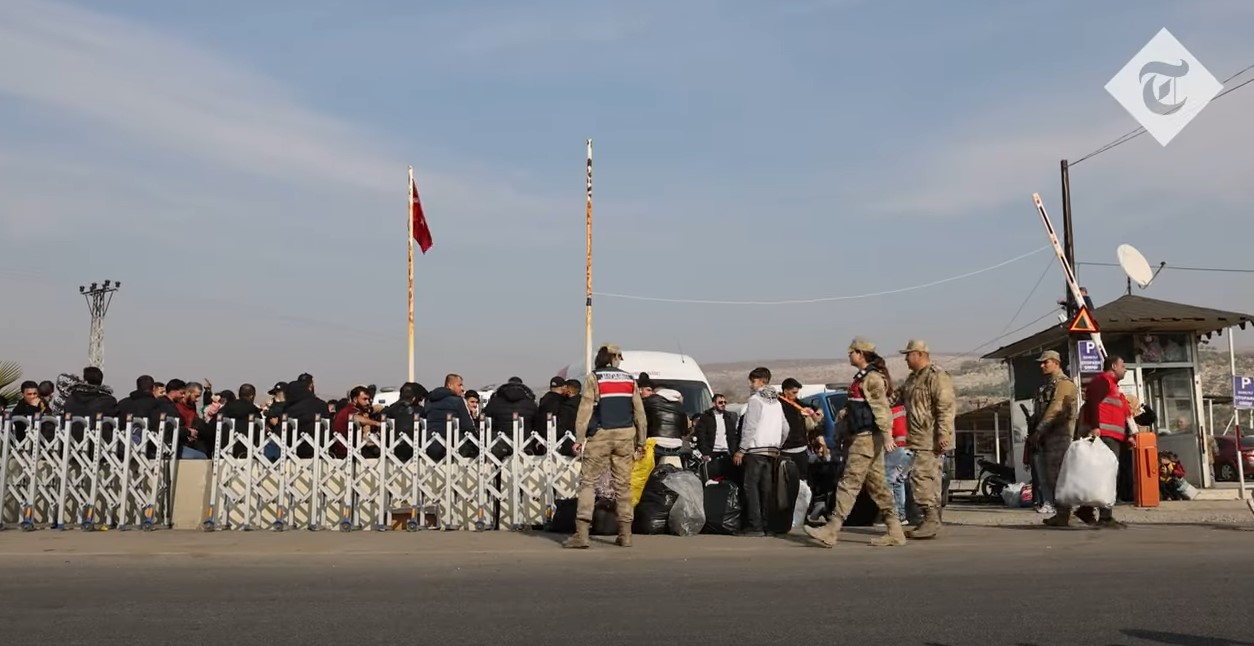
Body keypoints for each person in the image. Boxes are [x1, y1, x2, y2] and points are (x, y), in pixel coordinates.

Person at [804, 337, 904, 548]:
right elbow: (852, 410)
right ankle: (895, 530)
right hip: (863, 437)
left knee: (849, 482)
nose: (849, 356)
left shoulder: (872, 379)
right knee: (877, 486)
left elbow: (881, 408)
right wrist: (842, 431)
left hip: (866, 439)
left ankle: (832, 528)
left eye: (851, 352)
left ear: (860, 353)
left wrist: (887, 436)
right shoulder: (861, 379)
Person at [565, 344, 647, 549]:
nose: (620, 360)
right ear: (612, 358)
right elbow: (640, 414)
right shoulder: (629, 379)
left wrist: (579, 438)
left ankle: (582, 535)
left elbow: (584, 411)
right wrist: (641, 441)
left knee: (588, 483)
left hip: (600, 436)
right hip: (625, 436)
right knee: (623, 486)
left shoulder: (594, 378)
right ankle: (625, 534)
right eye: (619, 357)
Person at [896, 340, 955, 540]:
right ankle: (931, 519)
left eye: (908, 354)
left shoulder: (936, 376)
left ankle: (930, 518)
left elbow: (945, 406)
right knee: (930, 478)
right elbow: (896, 397)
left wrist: (943, 434)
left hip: (931, 437)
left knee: (921, 477)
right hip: (919, 437)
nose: (905, 358)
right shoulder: (913, 379)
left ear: (919, 354)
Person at [734, 367, 787, 537]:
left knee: (751, 488)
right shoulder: (777, 403)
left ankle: (754, 526)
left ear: (761, 381)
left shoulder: (756, 400)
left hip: (755, 450)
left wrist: (741, 450)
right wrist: (778, 444)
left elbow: (750, 426)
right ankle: (767, 525)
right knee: (766, 489)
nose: (751, 384)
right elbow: (786, 428)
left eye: (753, 381)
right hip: (772, 451)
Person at [1027, 351, 1077, 522]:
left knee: (1057, 475)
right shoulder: (1046, 386)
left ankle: (1066, 513)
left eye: (1045, 362)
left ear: (1056, 363)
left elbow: (1056, 408)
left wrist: (1040, 430)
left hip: (1058, 435)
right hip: (1044, 438)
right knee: (1046, 476)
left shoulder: (1064, 384)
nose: (1042, 366)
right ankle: (1061, 513)